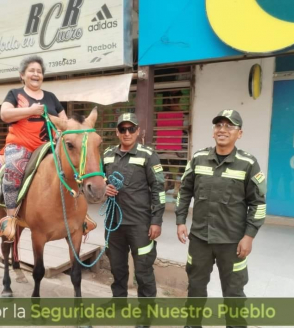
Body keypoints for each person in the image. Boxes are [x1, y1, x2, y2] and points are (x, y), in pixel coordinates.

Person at [175, 110, 266, 327]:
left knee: (234, 292)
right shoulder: (198, 158)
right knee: (195, 287)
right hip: (200, 239)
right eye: (218, 125)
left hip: (232, 242)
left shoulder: (248, 163)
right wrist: (180, 221)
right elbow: (184, 191)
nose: (222, 130)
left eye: (229, 126)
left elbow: (258, 204)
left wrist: (249, 236)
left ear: (239, 133)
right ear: (213, 131)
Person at [103, 113, 165, 303]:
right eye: (123, 129)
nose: (127, 133)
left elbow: (158, 189)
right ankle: (118, 302)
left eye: (131, 129)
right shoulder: (107, 155)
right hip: (113, 223)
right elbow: (96, 180)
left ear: (138, 131)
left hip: (140, 224)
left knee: (143, 269)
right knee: (117, 266)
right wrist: (104, 186)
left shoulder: (148, 155)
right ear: (117, 132)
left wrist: (156, 221)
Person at [0, 55, 68, 218]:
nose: (36, 74)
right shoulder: (14, 94)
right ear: (22, 75)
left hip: (49, 147)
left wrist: (55, 125)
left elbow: (64, 122)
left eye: (39, 71)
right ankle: (10, 218)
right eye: (31, 71)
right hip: (21, 146)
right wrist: (31, 110)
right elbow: (4, 114)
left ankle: (78, 215)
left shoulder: (51, 97)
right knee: (13, 171)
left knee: (71, 168)